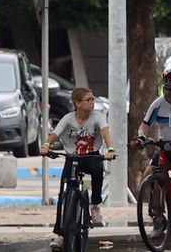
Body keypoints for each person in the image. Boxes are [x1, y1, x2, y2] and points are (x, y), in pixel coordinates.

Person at [46, 86, 118, 233]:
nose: (92, 102)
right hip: (73, 157)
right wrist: (46, 145)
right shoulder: (68, 118)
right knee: (63, 194)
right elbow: (55, 134)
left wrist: (111, 150)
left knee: (98, 172)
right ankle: (60, 236)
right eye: (88, 100)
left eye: (93, 99)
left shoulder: (97, 117)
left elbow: (106, 134)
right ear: (78, 103)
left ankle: (95, 204)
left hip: (92, 156)